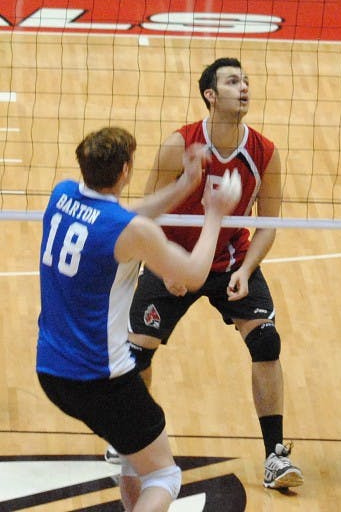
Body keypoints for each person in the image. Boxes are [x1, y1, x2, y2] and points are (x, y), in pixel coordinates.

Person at [37, 126, 240, 511]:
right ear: (127, 170)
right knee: (164, 475)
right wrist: (214, 214)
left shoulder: (61, 196)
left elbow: (124, 218)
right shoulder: (130, 232)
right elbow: (193, 275)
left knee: (134, 451)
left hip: (51, 370)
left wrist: (187, 184)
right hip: (101, 379)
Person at [125, 58, 303, 491]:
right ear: (210, 95)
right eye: (232, 81)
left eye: (245, 80)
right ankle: (131, 436)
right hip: (174, 259)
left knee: (266, 340)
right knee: (137, 354)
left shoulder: (264, 152)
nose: (243, 87)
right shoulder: (179, 145)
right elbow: (148, 214)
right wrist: (167, 266)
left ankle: (275, 457)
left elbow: (268, 225)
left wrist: (247, 269)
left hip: (227, 263)